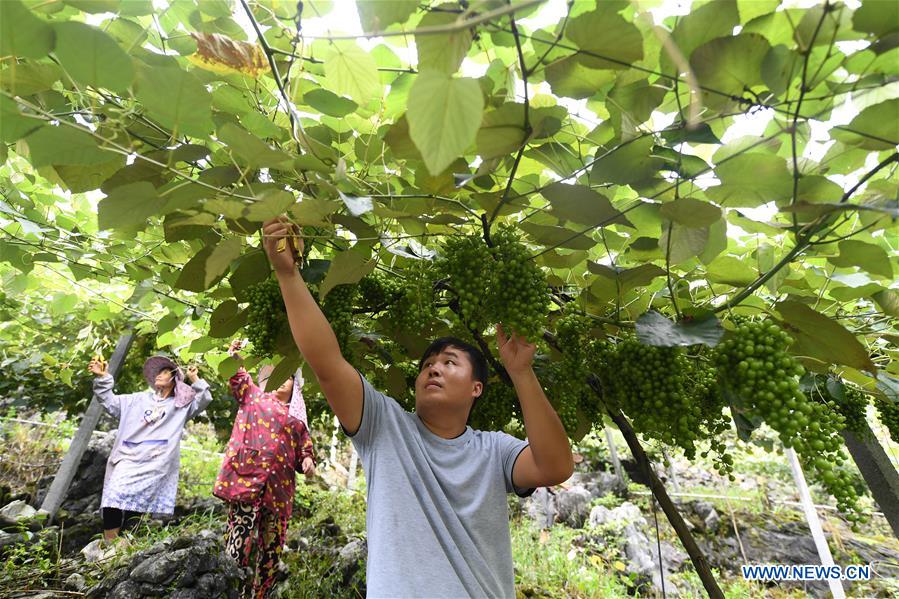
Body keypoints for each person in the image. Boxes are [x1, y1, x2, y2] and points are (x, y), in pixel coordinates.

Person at [260, 217, 575, 598]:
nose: (434, 369)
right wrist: (288, 276)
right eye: (428, 365)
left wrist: (521, 372)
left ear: (477, 388)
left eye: (449, 362)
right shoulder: (384, 425)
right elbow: (327, 363)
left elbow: (556, 466)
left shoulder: (495, 451)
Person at [214, 340, 315, 599]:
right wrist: (235, 355)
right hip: (247, 481)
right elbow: (238, 377)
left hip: (279, 492)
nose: (280, 380)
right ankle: (228, 589)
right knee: (239, 539)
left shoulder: (298, 418)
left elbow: (305, 448)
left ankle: (260, 594)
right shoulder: (253, 396)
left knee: (271, 548)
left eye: (286, 377)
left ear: (295, 384)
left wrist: (307, 461)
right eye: (272, 374)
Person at [87, 355, 213, 541]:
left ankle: (125, 544)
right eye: (158, 372)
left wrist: (194, 379)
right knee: (113, 495)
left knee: (139, 503)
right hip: (128, 457)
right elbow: (110, 401)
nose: (158, 375)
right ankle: (110, 543)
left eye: (164, 372)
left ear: (173, 379)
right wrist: (103, 377)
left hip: (156, 461)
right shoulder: (138, 399)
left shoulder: (180, 406)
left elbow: (204, 399)